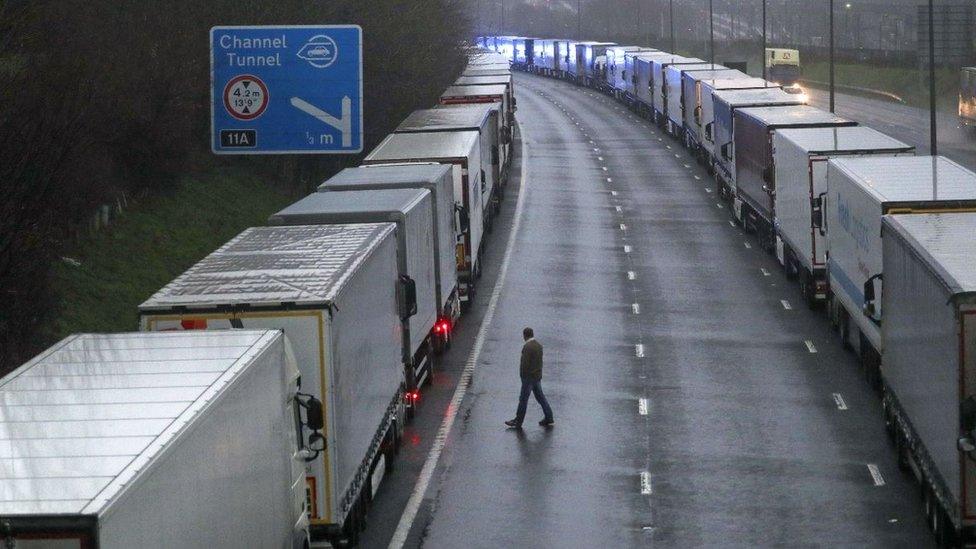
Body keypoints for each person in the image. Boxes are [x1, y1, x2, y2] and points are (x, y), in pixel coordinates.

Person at [505, 327, 554, 428]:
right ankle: (549, 418)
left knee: (523, 399)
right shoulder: (539, 346)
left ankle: (518, 421)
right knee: (541, 398)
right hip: (537, 377)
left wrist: (522, 375)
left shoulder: (527, 347)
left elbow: (524, 363)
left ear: (525, 335)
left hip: (528, 378)